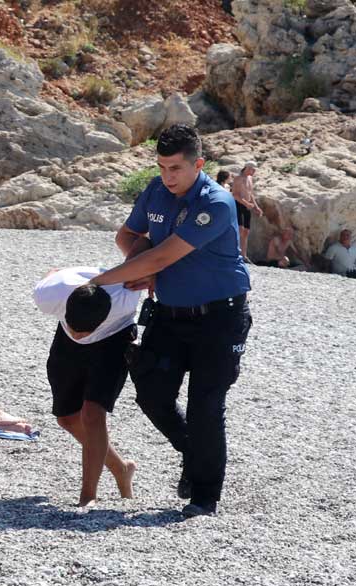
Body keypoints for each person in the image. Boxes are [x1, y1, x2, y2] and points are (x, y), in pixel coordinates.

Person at [89, 124, 252, 518]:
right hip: (168, 314)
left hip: (220, 317)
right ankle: (193, 452)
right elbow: (128, 235)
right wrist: (137, 260)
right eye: (162, 167)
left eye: (176, 168)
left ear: (199, 164)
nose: (168, 177)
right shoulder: (156, 191)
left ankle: (204, 495)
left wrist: (97, 282)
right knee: (152, 394)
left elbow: (163, 257)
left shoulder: (215, 202)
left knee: (205, 406)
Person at [34, 268, 142, 506]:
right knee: (67, 417)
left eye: (86, 333)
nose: (81, 336)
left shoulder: (125, 297)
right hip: (66, 342)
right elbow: (54, 273)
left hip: (114, 339)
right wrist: (73, 331)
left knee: (93, 413)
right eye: (77, 330)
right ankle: (122, 469)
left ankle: (87, 496)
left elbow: (150, 263)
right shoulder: (49, 295)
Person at [230, 162, 262, 261]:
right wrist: (246, 204)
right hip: (239, 204)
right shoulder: (238, 178)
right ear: (247, 168)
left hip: (247, 205)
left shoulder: (250, 178)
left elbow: (250, 193)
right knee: (239, 228)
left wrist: (256, 207)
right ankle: (234, 252)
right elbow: (235, 194)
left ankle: (244, 255)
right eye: (253, 169)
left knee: (246, 231)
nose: (254, 171)